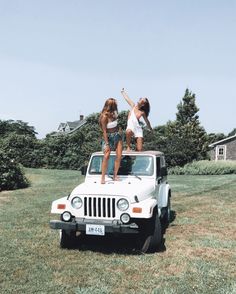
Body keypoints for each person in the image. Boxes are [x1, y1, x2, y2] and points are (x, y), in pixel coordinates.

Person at [99, 98, 123, 184]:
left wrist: (119, 131)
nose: (116, 105)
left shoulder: (114, 114)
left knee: (119, 156)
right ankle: (103, 177)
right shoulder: (104, 116)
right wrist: (107, 144)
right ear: (110, 105)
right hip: (108, 137)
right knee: (107, 155)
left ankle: (115, 176)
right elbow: (104, 131)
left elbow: (117, 125)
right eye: (114, 104)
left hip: (117, 136)